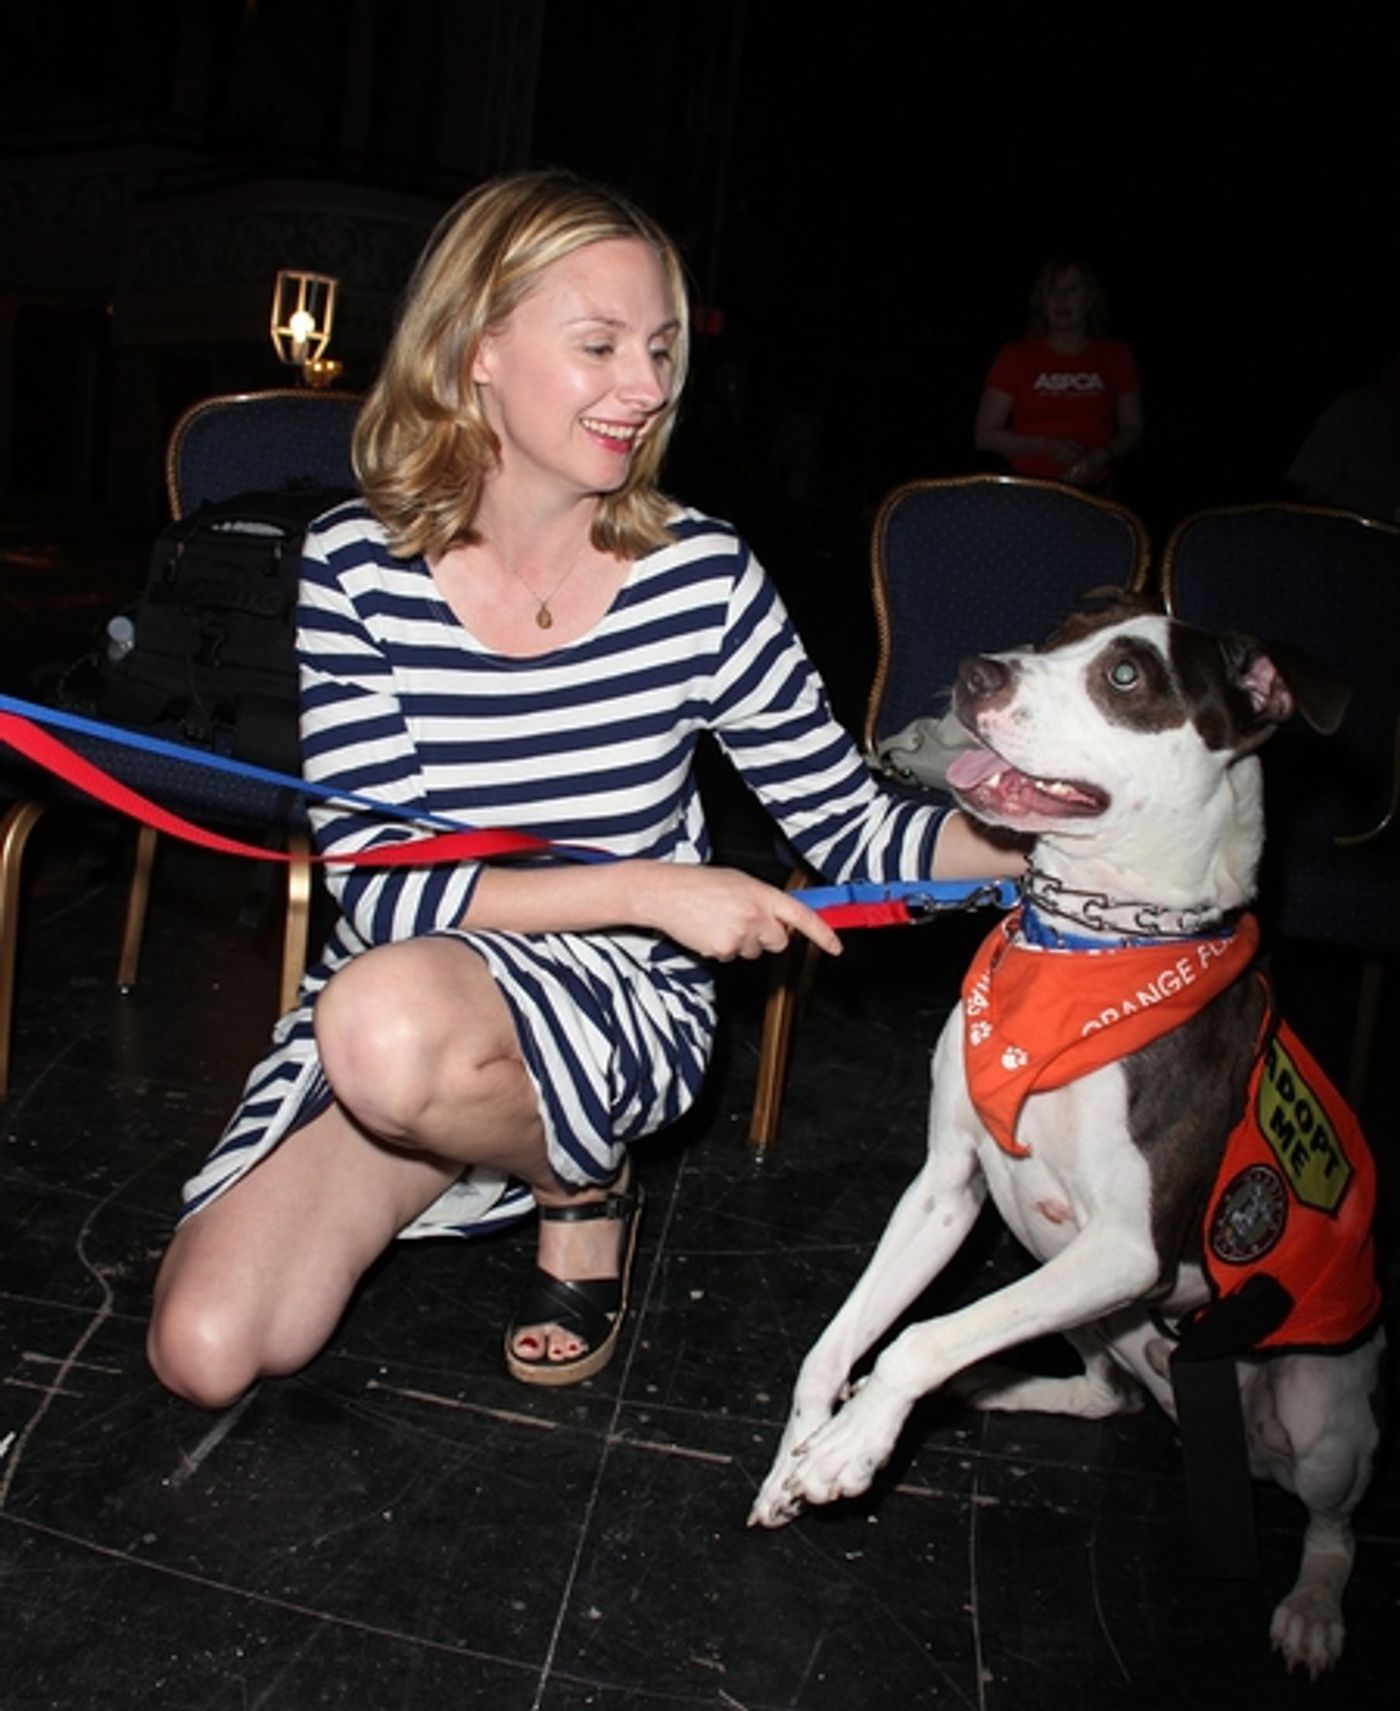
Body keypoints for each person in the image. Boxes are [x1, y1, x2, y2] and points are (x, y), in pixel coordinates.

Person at [147, 171, 1022, 1407]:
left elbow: (850, 823)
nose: (648, 387)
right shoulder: (354, 564)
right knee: (207, 1349)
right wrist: (666, 885)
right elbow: (385, 894)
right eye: (600, 344)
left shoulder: (699, 575)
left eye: (660, 348)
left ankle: (576, 1182)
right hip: (426, 979)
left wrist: (1035, 847)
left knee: (384, 1028)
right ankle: (470, 1132)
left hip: (613, 990)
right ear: (476, 350)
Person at [973, 258, 1143, 491]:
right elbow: (984, 435)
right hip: (1027, 487)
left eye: (1072, 289)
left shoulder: (1116, 354)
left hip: (1094, 490)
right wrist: (1045, 446)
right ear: (1042, 301)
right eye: (1053, 290)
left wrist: (1100, 457)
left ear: (1090, 298)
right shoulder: (1016, 355)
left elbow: (1133, 428)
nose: (1062, 299)